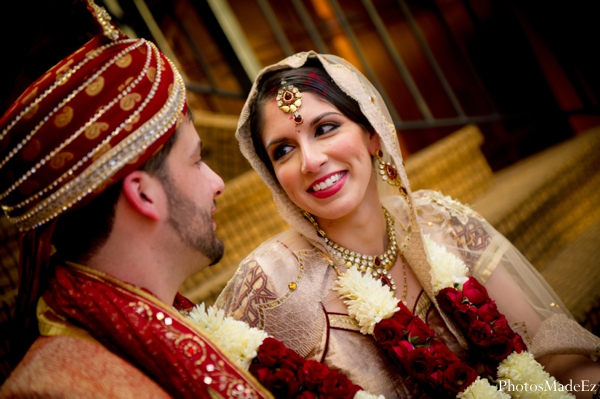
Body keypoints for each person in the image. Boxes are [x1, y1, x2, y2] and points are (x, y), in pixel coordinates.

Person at [216, 51, 600, 398]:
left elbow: (556, 364)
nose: (310, 161)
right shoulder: (271, 288)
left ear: (371, 134)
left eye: (325, 128)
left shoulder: (439, 222)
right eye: (283, 150)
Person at [0, 2, 271, 398]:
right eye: (197, 160)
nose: (218, 183)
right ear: (144, 194)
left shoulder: (168, 318)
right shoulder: (54, 389)